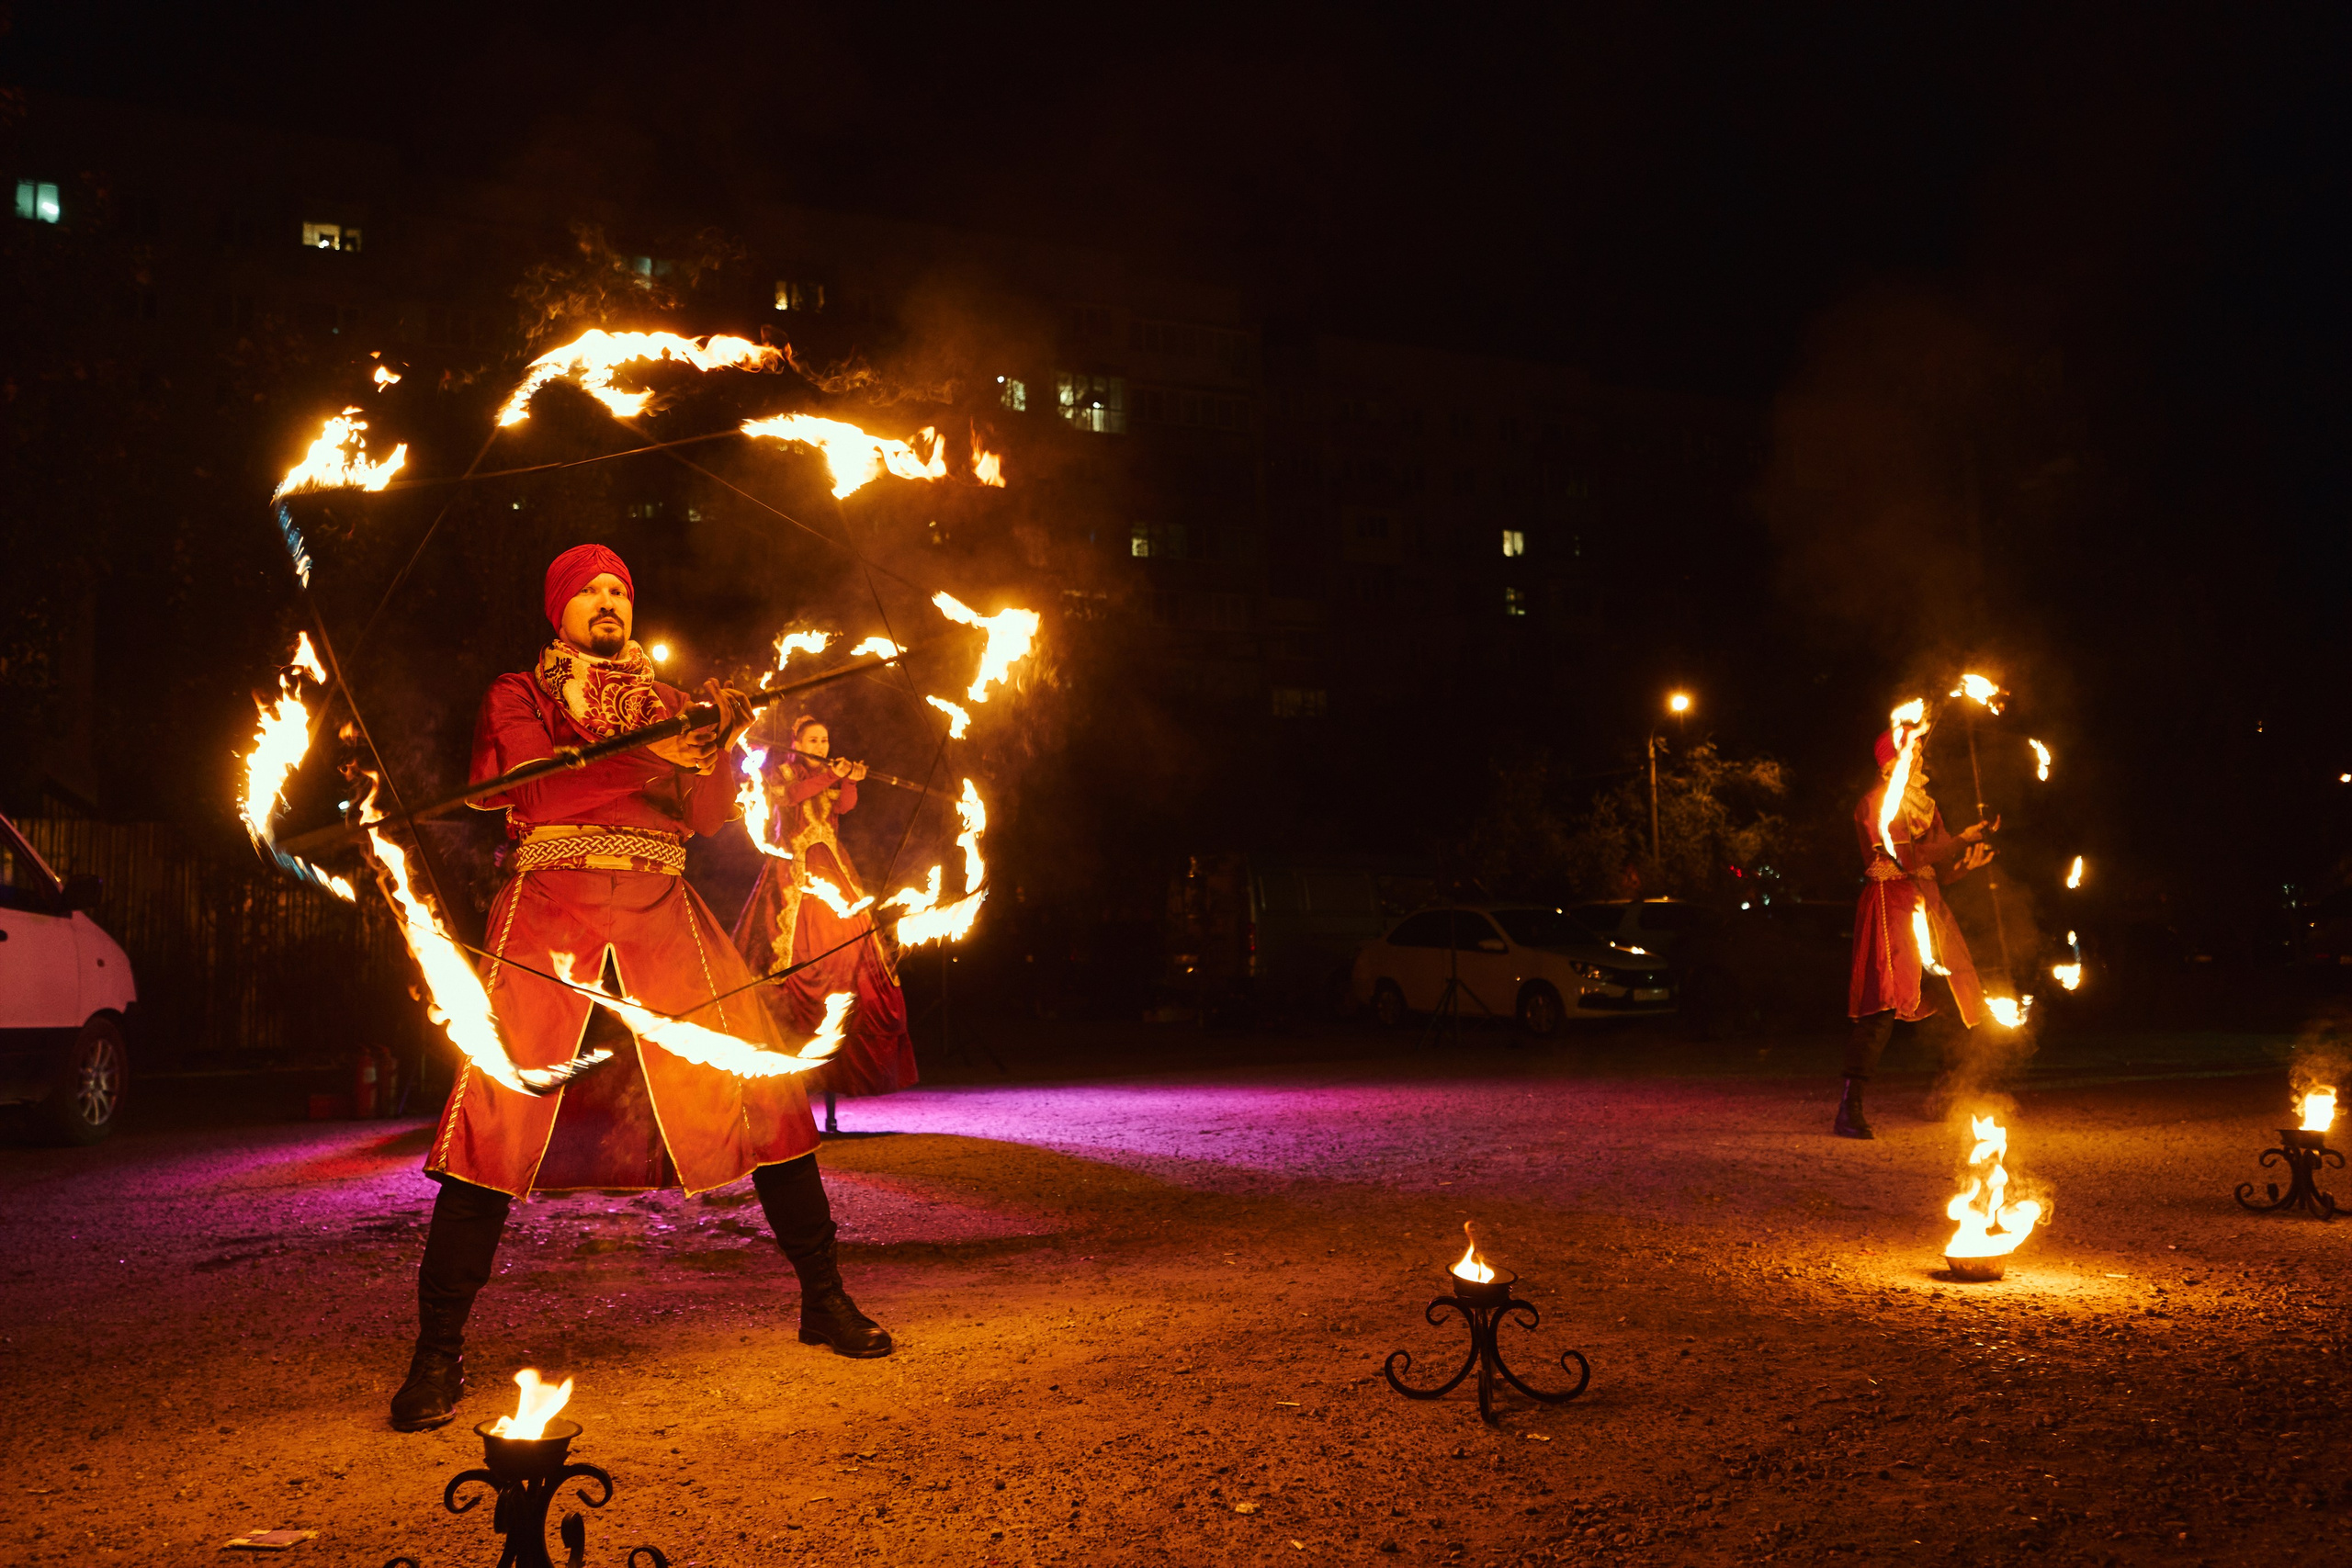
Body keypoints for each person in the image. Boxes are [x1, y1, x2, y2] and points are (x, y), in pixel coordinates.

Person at [390, 544, 891, 1437]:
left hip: (664, 900)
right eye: (589, 592)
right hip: (552, 902)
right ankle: (437, 1354)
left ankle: (825, 1299)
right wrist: (670, 746)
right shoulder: (521, 694)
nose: (608, 602)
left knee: (763, 1092)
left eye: (620, 588)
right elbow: (548, 785)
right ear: (559, 610)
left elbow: (698, 817)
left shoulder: (669, 703)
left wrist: (715, 745)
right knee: (492, 1118)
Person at [730, 714, 920, 1100]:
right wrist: (834, 775)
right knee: (787, 955)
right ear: (796, 743)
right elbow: (791, 797)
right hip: (792, 868)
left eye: (824, 741)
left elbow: (845, 806)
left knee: (855, 958)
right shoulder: (780, 771)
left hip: (832, 868)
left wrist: (850, 779)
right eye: (813, 741)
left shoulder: (831, 773)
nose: (821, 747)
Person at [1838, 722, 1998, 1139]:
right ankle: (1848, 1109)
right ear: (1890, 764)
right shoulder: (1876, 804)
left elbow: (1937, 868)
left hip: (1928, 904)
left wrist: (1966, 862)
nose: (1921, 758)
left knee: (1955, 997)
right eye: (1912, 752)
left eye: (1921, 752)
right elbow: (1903, 858)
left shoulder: (1927, 805)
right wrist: (1959, 840)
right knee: (1884, 1007)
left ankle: (1949, 1094)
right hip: (1891, 904)